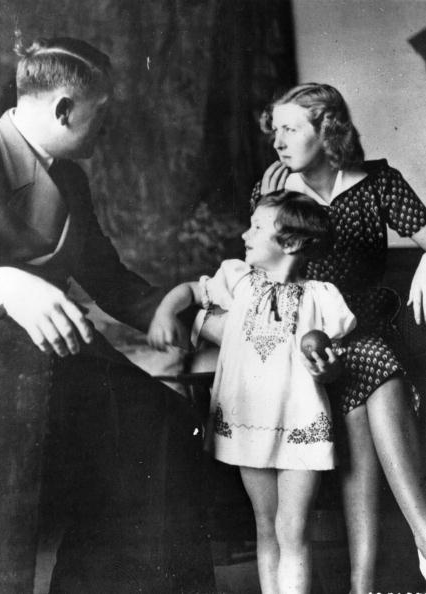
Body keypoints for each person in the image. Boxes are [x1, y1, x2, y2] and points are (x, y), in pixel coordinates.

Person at [0, 37, 214, 593]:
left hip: (52, 361)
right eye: (103, 114)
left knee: (160, 421)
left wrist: (183, 311)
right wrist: (5, 285)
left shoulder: (69, 178)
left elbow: (107, 278)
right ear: (65, 109)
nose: (108, 129)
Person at [248, 82, 426, 592]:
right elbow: (262, 274)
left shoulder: (378, 182)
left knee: (362, 384)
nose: (278, 141)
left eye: (290, 129)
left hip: (364, 328)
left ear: (327, 130)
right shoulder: (276, 195)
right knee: (372, 368)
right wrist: (271, 203)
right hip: (305, 337)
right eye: (275, 130)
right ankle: (422, 537)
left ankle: (364, 584)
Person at [148, 190, 357, 593]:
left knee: (292, 529)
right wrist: (164, 311)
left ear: (291, 243)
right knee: (265, 525)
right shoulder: (238, 280)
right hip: (249, 425)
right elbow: (189, 291)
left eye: (257, 227)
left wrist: (328, 368)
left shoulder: (322, 297)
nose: (245, 234)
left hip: (301, 426)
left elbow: (334, 366)